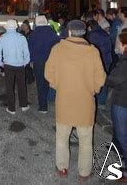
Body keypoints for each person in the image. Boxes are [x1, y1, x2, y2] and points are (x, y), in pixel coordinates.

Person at [45, 20, 106, 180]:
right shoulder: (92, 52)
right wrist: (92, 89)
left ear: (69, 32)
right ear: (84, 33)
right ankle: (84, 173)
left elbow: (48, 73)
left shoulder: (57, 49)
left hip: (64, 101)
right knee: (86, 140)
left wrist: (57, 85)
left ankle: (62, 168)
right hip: (85, 103)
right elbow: (100, 78)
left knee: (62, 137)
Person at [0, 19, 30, 115]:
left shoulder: (2, 38)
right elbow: (26, 52)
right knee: (22, 86)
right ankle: (24, 105)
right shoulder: (22, 37)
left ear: (6, 28)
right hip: (20, 65)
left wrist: (0, 63)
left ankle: (11, 108)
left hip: (8, 65)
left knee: (9, 87)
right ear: (16, 27)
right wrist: (25, 63)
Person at [106, 31, 127, 183]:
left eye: (118, 43)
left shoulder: (124, 63)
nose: (116, 45)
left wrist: (104, 77)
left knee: (122, 136)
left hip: (122, 103)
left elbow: (113, 80)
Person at [29, 15, 59, 113]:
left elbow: (31, 49)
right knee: (50, 81)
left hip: (38, 62)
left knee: (40, 83)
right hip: (51, 61)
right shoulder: (52, 33)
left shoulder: (34, 34)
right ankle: (51, 98)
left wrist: (31, 61)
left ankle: (43, 106)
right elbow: (57, 46)